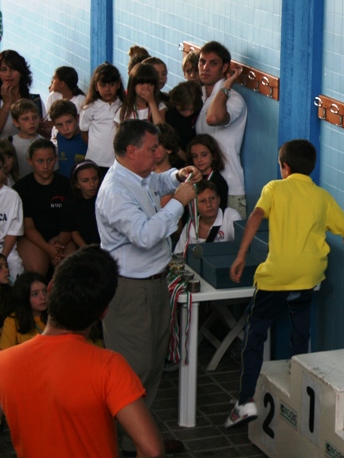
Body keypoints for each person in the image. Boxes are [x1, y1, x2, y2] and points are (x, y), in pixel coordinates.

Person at [225, 139, 344, 428]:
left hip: (277, 276)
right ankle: (301, 391)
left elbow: (256, 216)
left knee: (255, 333)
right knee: (300, 331)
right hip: (308, 276)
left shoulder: (274, 188)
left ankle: (245, 400)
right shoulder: (322, 196)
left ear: (284, 167)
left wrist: (241, 255)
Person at [96, 119, 200, 455]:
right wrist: (178, 202)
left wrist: (176, 177)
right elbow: (144, 235)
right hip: (130, 291)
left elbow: (155, 181)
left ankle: (137, 439)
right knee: (132, 372)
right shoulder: (115, 192)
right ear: (131, 150)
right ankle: (123, 444)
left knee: (153, 365)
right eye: (153, 149)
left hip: (154, 284)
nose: (159, 154)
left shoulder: (136, 176)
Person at [0, 245, 164, 458]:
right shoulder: (109, 366)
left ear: (50, 288)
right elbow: (152, 450)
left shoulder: (5, 362)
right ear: (103, 312)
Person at [197, 41, 247, 218]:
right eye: (202, 62)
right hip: (204, 186)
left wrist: (226, 86)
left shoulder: (234, 99)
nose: (205, 68)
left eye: (213, 63)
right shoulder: (199, 97)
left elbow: (213, 118)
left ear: (225, 67)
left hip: (230, 186)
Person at [13, 139, 76, 276]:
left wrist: (60, 243)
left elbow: (69, 221)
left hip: (61, 237)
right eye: (40, 161)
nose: (46, 166)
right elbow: (28, 227)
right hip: (32, 239)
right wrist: (48, 248)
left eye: (50, 160)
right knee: (37, 268)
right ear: (30, 161)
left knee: (69, 268)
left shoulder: (66, 185)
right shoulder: (22, 187)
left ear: (56, 159)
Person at [80, 63, 125, 176]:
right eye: (103, 85)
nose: (107, 89)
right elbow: (84, 131)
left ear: (118, 85)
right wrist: (96, 148)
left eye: (112, 85)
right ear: (96, 87)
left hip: (117, 161)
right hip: (95, 160)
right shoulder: (90, 107)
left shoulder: (123, 105)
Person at [175, 180, 240, 256]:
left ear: (218, 200)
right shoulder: (190, 226)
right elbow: (178, 255)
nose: (209, 204)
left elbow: (243, 246)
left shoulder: (231, 216)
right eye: (203, 201)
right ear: (194, 205)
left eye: (212, 198)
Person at [0, 50, 44, 140]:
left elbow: (43, 136)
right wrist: (6, 104)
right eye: (3, 69)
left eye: (13, 69)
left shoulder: (35, 101)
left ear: (21, 72)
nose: (8, 74)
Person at [0, 272, 48, 350]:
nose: (43, 297)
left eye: (45, 291)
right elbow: (4, 352)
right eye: (35, 294)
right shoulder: (12, 321)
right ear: (23, 297)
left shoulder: (55, 315)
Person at [187, 133, 229, 210]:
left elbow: (221, 210)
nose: (199, 160)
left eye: (204, 155)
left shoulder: (219, 182)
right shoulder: (189, 180)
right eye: (195, 156)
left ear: (213, 156)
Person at [43, 66, 86, 139]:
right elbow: (51, 123)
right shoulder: (52, 96)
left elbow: (81, 126)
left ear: (62, 84)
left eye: (54, 78)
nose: (52, 81)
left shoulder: (80, 100)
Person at [51, 99, 88, 178]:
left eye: (69, 122)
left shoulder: (86, 137)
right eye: (60, 125)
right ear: (54, 125)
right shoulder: (59, 136)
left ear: (77, 118)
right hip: (64, 182)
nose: (65, 128)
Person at [166, 80, 202, 160]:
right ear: (176, 103)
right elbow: (172, 144)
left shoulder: (200, 110)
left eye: (192, 110)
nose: (188, 113)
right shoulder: (171, 116)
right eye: (184, 110)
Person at [0, 159, 24, 280]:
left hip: (6, 250)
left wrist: (2, 259)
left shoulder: (12, 196)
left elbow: (12, 233)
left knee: (15, 269)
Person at [10, 99, 45, 179]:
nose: (31, 122)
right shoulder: (11, 143)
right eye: (26, 119)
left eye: (34, 117)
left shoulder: (45, 143)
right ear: (16, 122)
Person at [70, 160, 102, 247]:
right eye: (85, 180)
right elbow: (74, 232)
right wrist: (88, 250)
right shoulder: (72, 203)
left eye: (95, 179)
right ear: (77, 184)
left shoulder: (105, 200)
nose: (92, 184)